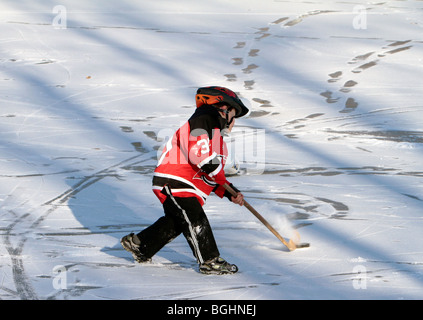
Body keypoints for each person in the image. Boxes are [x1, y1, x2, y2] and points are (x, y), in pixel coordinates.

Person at [121, 86, 249, 275]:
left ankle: (140, 245)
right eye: (233, 114)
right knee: (195, 218)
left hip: (188, 186)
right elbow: (200, 152)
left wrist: (230, 192)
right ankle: (209, 260)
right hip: (176, 181)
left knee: (177, 222)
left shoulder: (217, 141)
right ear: (222, 108)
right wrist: (215, 171)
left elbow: (212, 176)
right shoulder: (203, 118)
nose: (234, 121)